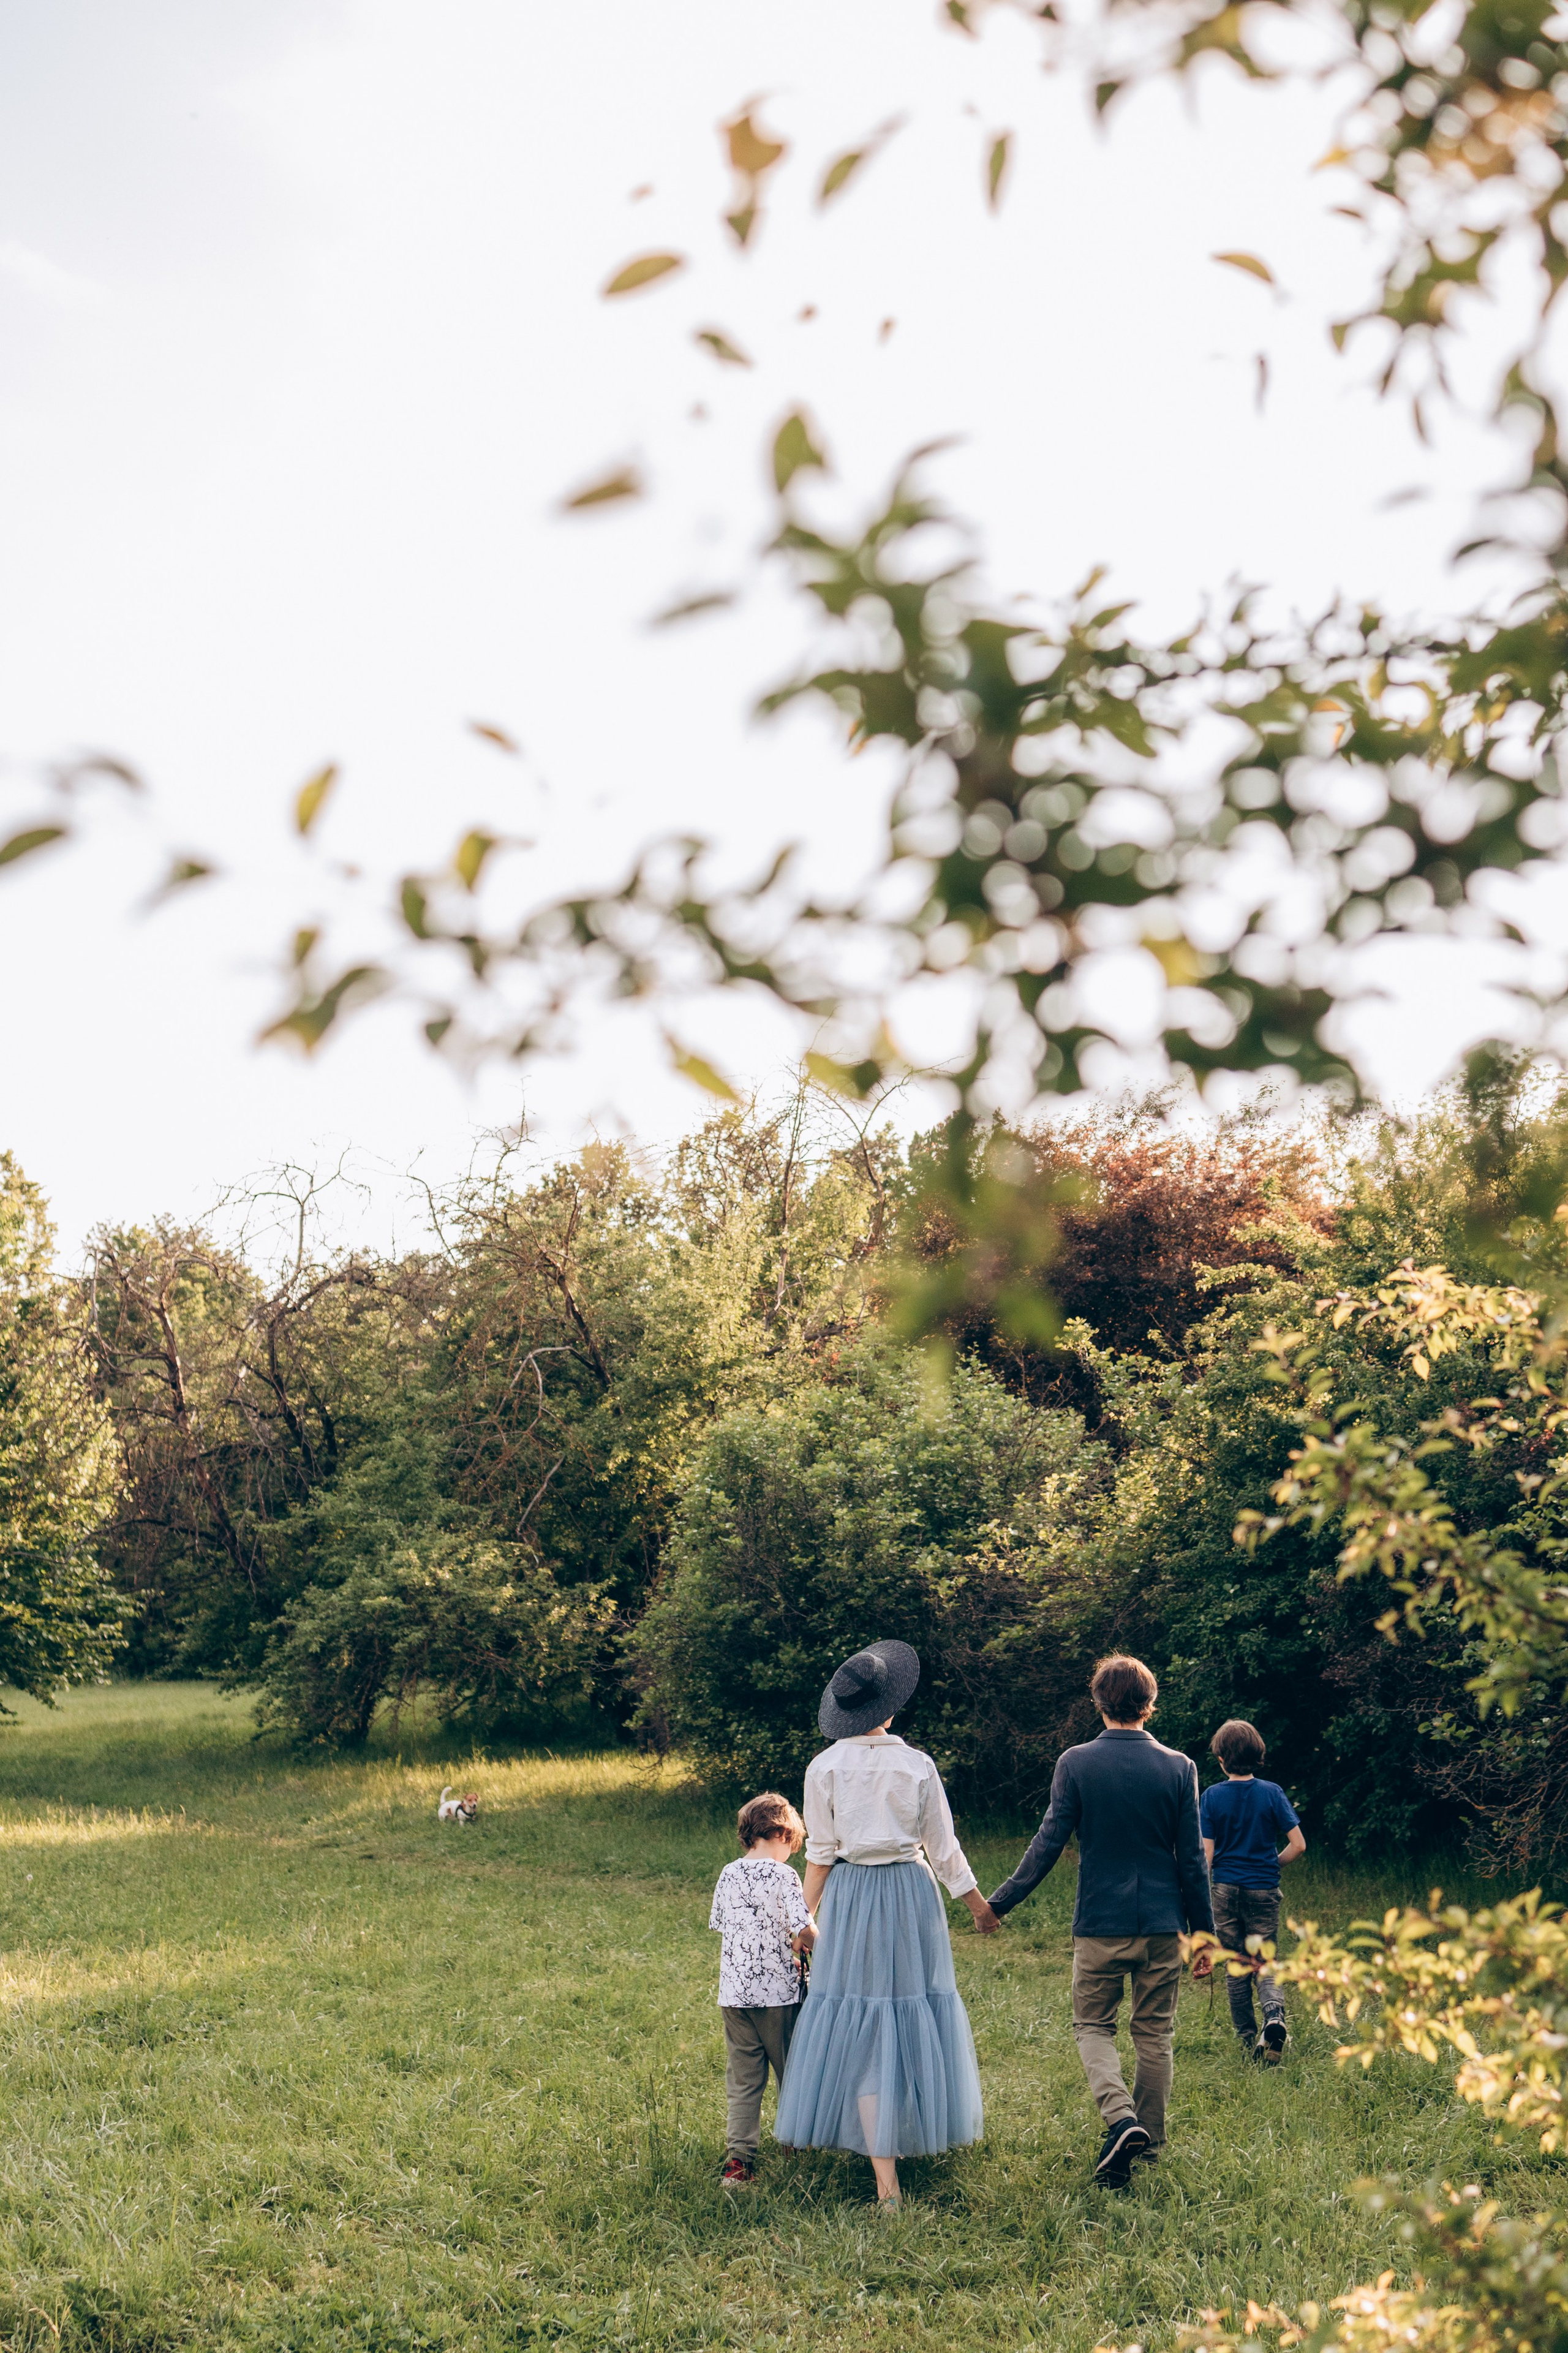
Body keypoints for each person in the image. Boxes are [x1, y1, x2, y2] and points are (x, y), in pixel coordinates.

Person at [773, 1639, 998, 2209]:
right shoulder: (916, 1764)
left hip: (849, 1894)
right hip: (909, 1895)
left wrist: (804, 1918)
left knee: (861, 2014)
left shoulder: (823, 1767)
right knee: (907, 2011)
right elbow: (943, 1848)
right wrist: (976, 1905)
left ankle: (887, 2184)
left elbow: (820, 1854)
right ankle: (896, 2155)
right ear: (889, 1708)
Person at [986, 1653, 1214, 2188]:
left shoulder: (1077, 1762)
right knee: (1155, 2031)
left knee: (1093, 2025)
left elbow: (1049, 1842)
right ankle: (1149, 2142)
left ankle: (1121, 2119)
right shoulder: (1180, 1766)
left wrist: (1000, 1902)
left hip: (1101, 1923)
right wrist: (1205, 1936)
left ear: (1099, 1701)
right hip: (1163, 1923)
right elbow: (1192, 1860)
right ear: (1149, 1703)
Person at [709, 1790, 819, 2186]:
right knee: (791, 2071)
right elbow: (804, 1929)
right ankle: (796, 2143)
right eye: (795, 1842)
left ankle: (739, 2164)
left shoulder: (728, 1873)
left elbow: (726, 1925)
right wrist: (823, 1947)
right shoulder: (783, 1874)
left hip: (734, 1996)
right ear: (782, 1833)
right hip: (777, 1997)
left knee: (743, 2080)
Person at [1201, 1718, 1305, 2063]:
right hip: (1263, 1890)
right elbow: (1299, 1845)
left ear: (1220, 1759)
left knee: (1235, 1964)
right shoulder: (1271, 1792)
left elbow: (1207, 1856)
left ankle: (1248, 2040)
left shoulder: (1212, 1796)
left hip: (1225, 1890)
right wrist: (1272, 1865)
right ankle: (1274, 2017)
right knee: (1264, 1962)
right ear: (1259, 1755)